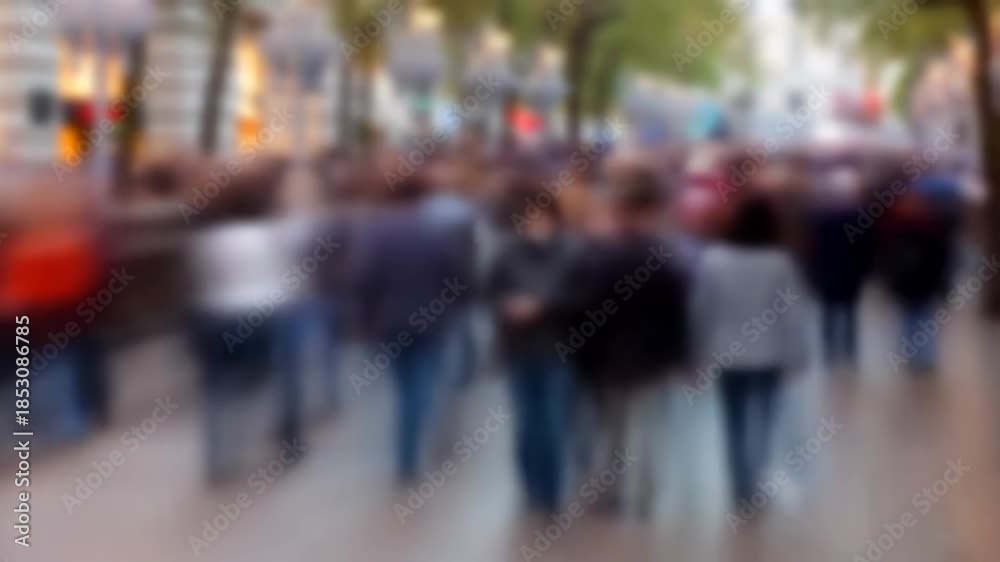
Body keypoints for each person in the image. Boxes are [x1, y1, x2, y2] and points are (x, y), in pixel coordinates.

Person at [570, 168, 690, 517]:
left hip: (607, 359)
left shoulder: (601, 257)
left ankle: (608, 493)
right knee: (648, 428)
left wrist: (582, 356)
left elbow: (586, 312)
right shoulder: (666, 259)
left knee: (609, 429)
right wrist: (680, 356)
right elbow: (677, 315)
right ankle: (645, 495)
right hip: (652, 359)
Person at [691, 196, 810, 504]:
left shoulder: (713, 259)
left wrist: (697, 352)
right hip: (769, 354)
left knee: (733, 421)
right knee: (765, 419)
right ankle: (757, 476)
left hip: (726, 355)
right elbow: (790, 312)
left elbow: (703, 310)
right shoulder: (780, 262)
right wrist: (797, 354)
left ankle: (739, 483)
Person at [355, 173, 466, 483]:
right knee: (423, 383)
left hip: (390, 322)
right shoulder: (437, 233)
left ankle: (406, 456)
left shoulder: (376, 233)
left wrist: (364, 321)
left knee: (404, 388)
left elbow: (365, 280)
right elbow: (454, 276)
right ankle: (417, 442)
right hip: (431, 321)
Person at [488, 178, 585, 512]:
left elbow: (585, 296)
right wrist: (507, 305)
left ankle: (552, 489)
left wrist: (544, 304)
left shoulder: (572, 251)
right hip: (519, 347)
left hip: (559, 346)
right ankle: (531, 488)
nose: (535, 222)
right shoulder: (508, 251)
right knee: (527, 421)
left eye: (541, 215)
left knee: (553, 420)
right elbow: (489, 289)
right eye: (529, 216)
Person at [878, 187, 956, 373]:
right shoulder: (896, 229)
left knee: (923, 319)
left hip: (924, 283)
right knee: (910, 319)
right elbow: (886, 258)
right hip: (907, 284)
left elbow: (941, 257)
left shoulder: (931, 228)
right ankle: (914, 356)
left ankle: (923, 357)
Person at [805, 167, 875, 369]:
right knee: (850, 312)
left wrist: (813, 271)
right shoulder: (859, 218)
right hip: (850, 272)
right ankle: (849, 351)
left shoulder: (819, 219)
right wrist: (865, 269)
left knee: (828, 313)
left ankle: (830, 351)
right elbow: (865, 249)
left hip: (827, 272)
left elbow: (813, 249)